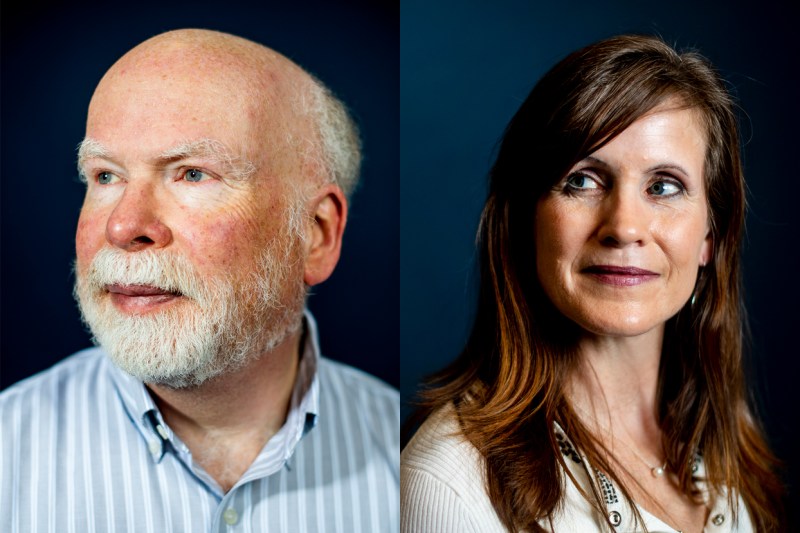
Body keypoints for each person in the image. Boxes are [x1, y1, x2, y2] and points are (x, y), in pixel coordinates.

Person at [0, 29, 399, 532]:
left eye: (191, 174)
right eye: (105, 176)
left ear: (315, 234)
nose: (123, 227)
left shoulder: (399, 454)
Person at [401, 35, 783, 532]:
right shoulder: (447, 485)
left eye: (664, 186)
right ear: (525, 221)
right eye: (582, 180)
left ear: (709, 237)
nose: (623, 227)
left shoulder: (728, 441)